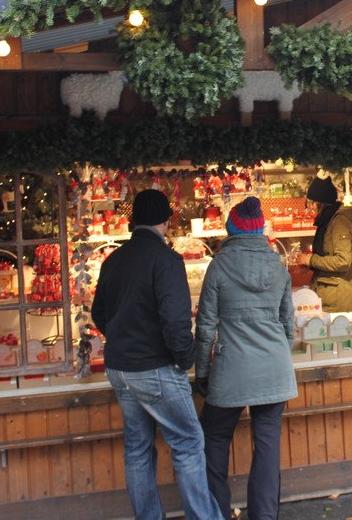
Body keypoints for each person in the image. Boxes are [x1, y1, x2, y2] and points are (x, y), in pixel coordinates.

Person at [91, 188, 223, 520]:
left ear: (133, 221)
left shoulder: (113, 260)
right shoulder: (166, 260)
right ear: (166, 221)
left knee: (137, 450)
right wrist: (186, 357)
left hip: (120, 368)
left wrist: (123, 338)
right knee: (188, 444)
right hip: (156, 367)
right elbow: (176, 322)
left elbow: (98, 314)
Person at [195, 196, 298, 520]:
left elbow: (205, 327)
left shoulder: (219, 266)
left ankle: (216, 512)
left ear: (232, 230)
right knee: (267, 445)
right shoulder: (278, 267)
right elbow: (288, 327)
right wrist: (277, 354)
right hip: (274, 369)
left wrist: (202, 373)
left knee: (213, 438)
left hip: (232, 369)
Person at [298, 176, 352, 311]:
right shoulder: (327, 221)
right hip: (329, 295)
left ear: (320, 203)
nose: (311, 207)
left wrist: (311, 260)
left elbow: (343, 261)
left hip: (337, 300)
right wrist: (310, 264)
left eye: (311, 203)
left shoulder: (339, 223)